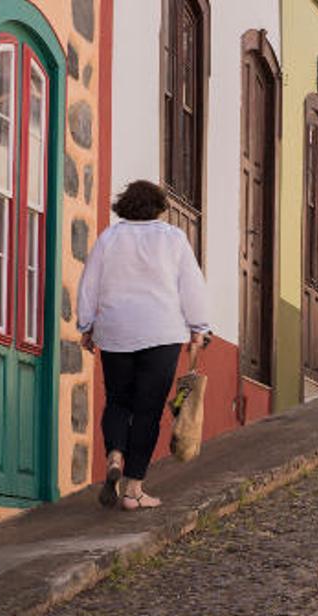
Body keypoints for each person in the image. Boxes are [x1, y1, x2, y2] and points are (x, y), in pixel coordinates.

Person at [76, 180, 209, 511]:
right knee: (148, 411)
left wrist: (86, 325)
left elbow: (89, 283)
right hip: (161, 333)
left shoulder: (109, 238)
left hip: (116, 330)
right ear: (159, 207)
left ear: (125, 205)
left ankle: (115, 454)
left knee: (118, 401)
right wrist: (199, 327)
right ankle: (134, 490)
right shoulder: (173, 239)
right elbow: (191, 285)